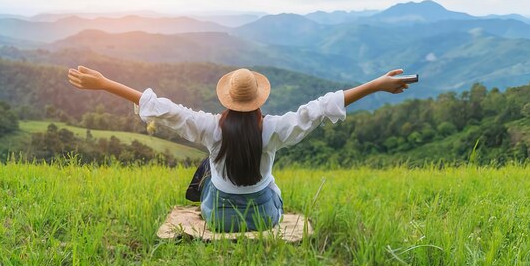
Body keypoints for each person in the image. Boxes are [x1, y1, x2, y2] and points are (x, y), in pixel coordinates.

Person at [67, 66, 410, 232]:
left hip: (217, 217)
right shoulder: (274, 129)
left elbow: (161, 108)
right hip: (265, 217)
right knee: (271, 184)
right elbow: (319, 108)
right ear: (260, 101)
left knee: (209, 168)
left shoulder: (210, 128)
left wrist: (103, 84)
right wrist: (377, 84)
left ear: (227, 103)